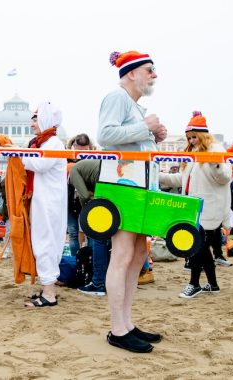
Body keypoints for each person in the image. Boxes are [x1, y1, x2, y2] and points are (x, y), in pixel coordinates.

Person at [97, 50, 167, 353]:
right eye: (149, 70)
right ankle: (117, 329)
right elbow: (105, 135)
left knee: (138, 255)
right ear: (131, 73)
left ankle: (126, 323)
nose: (154, 75)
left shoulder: (134, 106)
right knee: (123, 255)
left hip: (139, 186)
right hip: (123, 185)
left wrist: (155, 137)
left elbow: (131, 140)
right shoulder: (117, 97)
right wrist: (146, 128)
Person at [160, 112, 232, 298]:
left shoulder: (216, 149)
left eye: (194, 137)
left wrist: (214, 164)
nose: (191, 141)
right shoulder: (192, 153)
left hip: (210, 207)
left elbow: (225, 177)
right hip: (193, 207)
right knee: (202, 247)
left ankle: (194, 284)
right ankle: (213, 285)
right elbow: (181, 179)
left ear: (203, 135)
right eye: (189, 138)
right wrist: (159, 176)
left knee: (197, 246)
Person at [22, 102, 67, 308]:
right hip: (44, 201)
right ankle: (47, 287)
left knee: (46, 242)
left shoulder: (54, 143)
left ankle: (49, 293)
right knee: (43, 241)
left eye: (35, 119)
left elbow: (40, 164)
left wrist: (19, 155)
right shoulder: (45, 143)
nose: (32, 124)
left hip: (49, 203)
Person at [69, 159, 110, 296]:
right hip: (115, 182)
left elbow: (84, 195)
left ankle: (98, 283)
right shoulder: (85, 165)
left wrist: (84, 210)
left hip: (105, 188)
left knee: (98, 238)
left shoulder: (73, 171)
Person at [66, 134, 94, 256]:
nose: (81, 153)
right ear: (74, 145)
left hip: (84, 199)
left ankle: (87, 261)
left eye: (84, 150)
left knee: (89, 233)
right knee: (75, 233)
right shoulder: (65, 157)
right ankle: (76, 261)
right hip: (71, 199)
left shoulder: (66, 157)